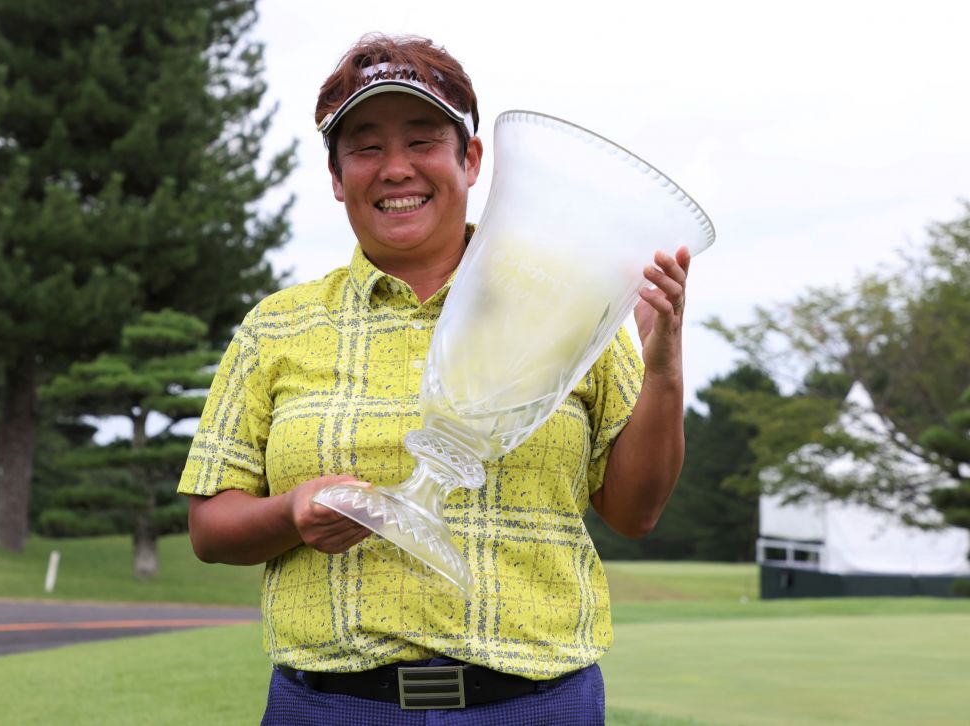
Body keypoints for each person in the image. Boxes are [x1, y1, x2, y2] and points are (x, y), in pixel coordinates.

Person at [178, 33, 691, 725]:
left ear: (470, 159)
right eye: (365, 146)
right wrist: (290, 513)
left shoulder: (566, 308)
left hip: (535, 705)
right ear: (336, 176)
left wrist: (663, 370)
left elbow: (636, 513)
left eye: (422, 141)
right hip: (329, 706)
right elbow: (211, 529)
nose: (396, 169)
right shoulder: (278, 326)